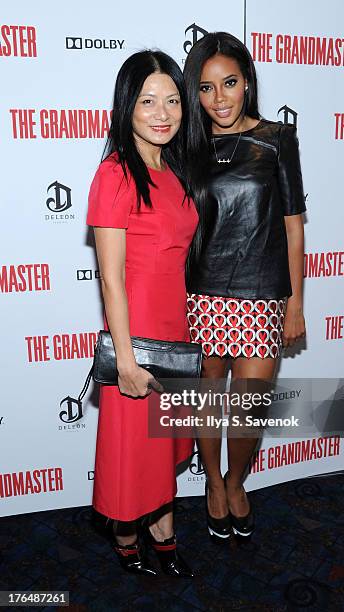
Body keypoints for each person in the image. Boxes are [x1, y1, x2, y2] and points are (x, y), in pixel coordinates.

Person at [183, 32, 306, 541]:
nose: (220, 98)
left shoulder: (278, 138)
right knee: (208, 399)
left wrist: (295, 303)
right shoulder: (184, 146)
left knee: (249, 405)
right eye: (207, 89)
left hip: (261, 294)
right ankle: (213, 482)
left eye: (229, 83)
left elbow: (294, 223)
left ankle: (237, 481)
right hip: (202, 294)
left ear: (247, 82)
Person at [87, 50, 198, 576]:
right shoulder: (114, 174)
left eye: (173, 100)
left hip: (175, 334)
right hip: (138, 339)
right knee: (135, 449)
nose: (163, 113)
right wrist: (126, 361)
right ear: (126, 106)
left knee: (162, 446)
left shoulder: (174, 168)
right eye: (148, 100)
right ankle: (128, 534)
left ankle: (164, 531)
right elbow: (111, 277)